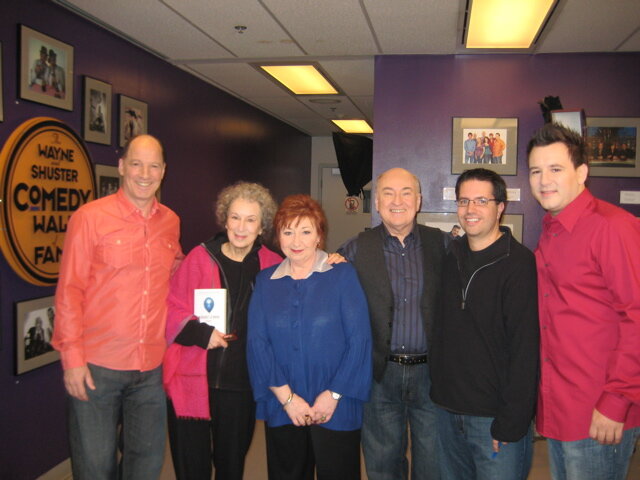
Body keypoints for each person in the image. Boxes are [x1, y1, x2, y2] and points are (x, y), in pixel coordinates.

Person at [52, 135, 183, 480]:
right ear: (122, 166)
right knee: (95, 466)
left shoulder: (170, 221)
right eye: (137, 163)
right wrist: (72, 359)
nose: (145, 173)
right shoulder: (90, 217)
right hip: (97, 367)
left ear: (164, 172)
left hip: (150, 367)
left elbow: (175, 269)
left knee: (146, 463)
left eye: (154, 165)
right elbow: (69, 290)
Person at [527, 123, 640, 480]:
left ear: (582, 173)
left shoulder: (612, 227)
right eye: (535, 170)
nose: (544, 180)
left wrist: (617, 400)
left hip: (599, 411)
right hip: (561, 404)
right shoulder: (551, 229)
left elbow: (637, 316)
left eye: (555, 169)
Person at [247, 194, 372, 480]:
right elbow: (257, 344)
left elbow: (360, 340)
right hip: (284, 404)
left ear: (319, 236)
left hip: (337, 405)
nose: (296, 241)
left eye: (306, 231)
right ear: (278, 236)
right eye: (288, 231)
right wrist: (287, 399)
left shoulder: (342, 275)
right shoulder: (266, 282)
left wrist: (334, 394)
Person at [163, 182, 282, 480]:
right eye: (235, 217)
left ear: (262, 225)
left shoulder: (273, 265)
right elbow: (169, 309)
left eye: (250, 219)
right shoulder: (199, 257)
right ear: (224, 219)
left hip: (241, 385)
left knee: (231, 466)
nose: (241, 227)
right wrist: (202, 334)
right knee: (191, 467)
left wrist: (333, 259)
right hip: (192, 378)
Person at [430, 168, 539, 480]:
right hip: (447, 412)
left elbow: (524, 348)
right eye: (464, 201)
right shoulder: (450, 257)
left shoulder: (518, 263)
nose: (470, 210)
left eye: (481, 200)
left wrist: (512, 421)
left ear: (500, 207)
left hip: (493, 418)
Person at [338, 167, 445, 479]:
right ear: (378, 202)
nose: (397, 200)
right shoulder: (355, 248)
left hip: (431, 377)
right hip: (379, 375)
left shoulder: (443, 245)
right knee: (383, 464)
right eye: (388, 192)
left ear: (419, 200)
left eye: (406, 192)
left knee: (433, 464)